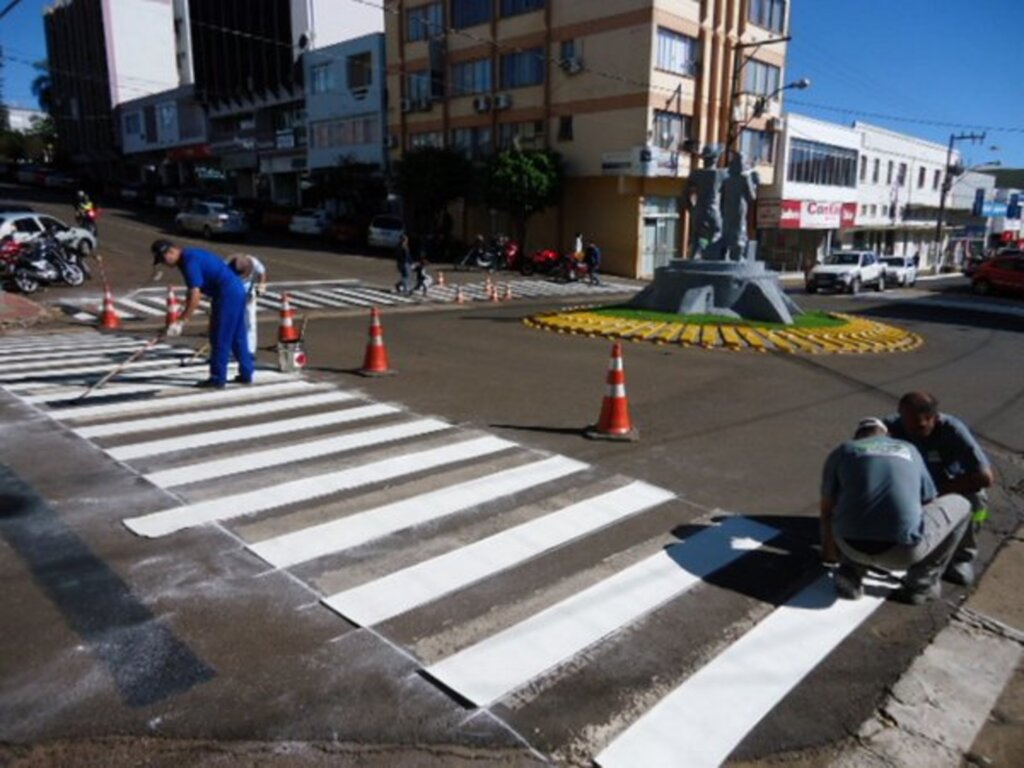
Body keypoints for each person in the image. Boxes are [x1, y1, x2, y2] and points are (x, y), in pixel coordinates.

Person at [820, 417, 972, 605]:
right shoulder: (909, 449)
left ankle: (850, 571)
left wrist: (829, 553)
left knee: (852, 502)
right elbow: (928, 499)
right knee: (963, 505)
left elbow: (826, 509)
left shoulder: (843, 451)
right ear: (887, 435)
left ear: (857, 437)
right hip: (903, 552)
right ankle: (920, 585)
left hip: (849, 547)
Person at [884, 392, 994, 586]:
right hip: (912, 482)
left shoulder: (953, 431)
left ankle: (962, 557)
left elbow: (985, 477)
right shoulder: (891, 426)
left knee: (977, 501)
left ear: (933, 418)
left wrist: (936, 491)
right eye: (906, 425)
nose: (911, 432)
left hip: (946, 484)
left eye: (919, 427)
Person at [151, 239, 254, 389]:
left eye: (163, 259)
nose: (164, 263)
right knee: (238, 336)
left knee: (220, 336)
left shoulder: (188, 262)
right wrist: (184, 310)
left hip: (227, 294)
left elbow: (195, 294)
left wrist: (182, 320)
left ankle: (217, 378)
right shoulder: (190, 256)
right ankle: (246, 373)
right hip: (235, 290)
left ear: (171, 251)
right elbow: (192, 291)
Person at [227, 252, 268, 354]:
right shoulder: (226, 266)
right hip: (233, 293)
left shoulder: (253, 262)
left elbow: (262, 272)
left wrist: (262, 285)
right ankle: (232, 349)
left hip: (248, 293)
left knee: (250, 322)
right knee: (233, 321)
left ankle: (250, 350)